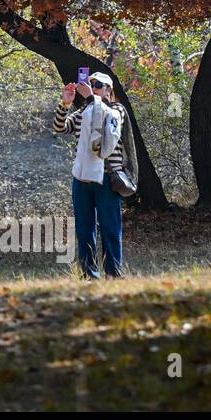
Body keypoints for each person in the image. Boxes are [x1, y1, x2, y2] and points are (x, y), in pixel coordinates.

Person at [53, 72, 129, 278]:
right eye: (91, 84)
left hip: (107, 178)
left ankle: (113, 273)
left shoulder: (116, 110)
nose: (93, 87)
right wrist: (65, 103)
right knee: (84, 230)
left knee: (110, 229)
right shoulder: (84, 111)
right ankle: (89, 273)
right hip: (82, 179)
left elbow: (106, 119)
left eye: (98, 85)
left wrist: (90, 98)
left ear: (108, 90)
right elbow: (60, 127)